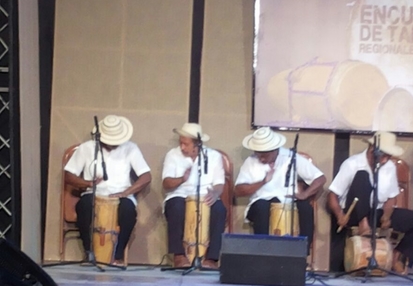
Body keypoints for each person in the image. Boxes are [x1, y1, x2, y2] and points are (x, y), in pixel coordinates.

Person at [327, 131, 413, 273]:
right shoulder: (352, 164)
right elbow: (332, 195)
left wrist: (386, 216)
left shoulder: (389, 166)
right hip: (353, 213)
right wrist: (339, 215)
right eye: (383, 156)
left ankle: (397, 256)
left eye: (388, 157)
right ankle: (363, 224)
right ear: (372, 151)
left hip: (376, 213)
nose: (385, 160)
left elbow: (391, 197)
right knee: (362, 176)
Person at [64, 115, 151, 268]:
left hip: (120, 194)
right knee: (84, 206)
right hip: (93, 192)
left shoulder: (131, 148)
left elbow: (146, 176)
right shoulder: (86, 148)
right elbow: (69, 175)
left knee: (128, 210)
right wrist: (87, 183)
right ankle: (89, 253)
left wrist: (127, 192)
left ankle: (117, 256)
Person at [234, 127, 326, 253]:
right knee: (262, 206)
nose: (261, 159)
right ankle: (262, 252)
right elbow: (238, 191)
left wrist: (305, 194)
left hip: (288, 201)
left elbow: (320, 178)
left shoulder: (291, 157)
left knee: (306, 207)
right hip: (260, 203)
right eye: (259, 154)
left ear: (275, 150)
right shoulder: (251, 161)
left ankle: (302, 252)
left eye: (265, 155)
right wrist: (263, 182)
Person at [162, 123, 227, 270]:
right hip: (180, 194)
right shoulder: (172, 155)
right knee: (176, 206)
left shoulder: (213, 156)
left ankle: (212, 258)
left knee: (219, 210)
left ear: (197, 144)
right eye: (181, 143)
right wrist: (181, 179)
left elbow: (219, 184)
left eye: (186, 144)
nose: (182, 147)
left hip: (205, 195)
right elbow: (166, 183)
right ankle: (179, 256)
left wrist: (215, 193)